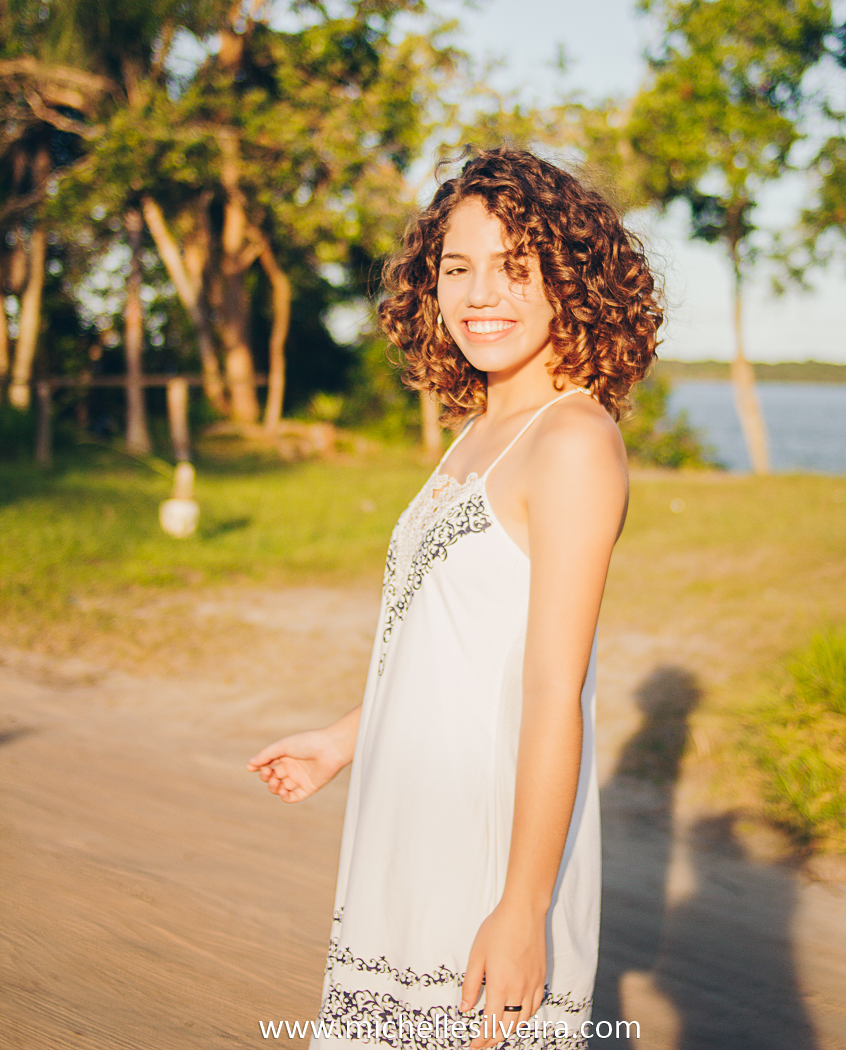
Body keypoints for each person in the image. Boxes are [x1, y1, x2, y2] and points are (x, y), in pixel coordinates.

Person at [248, 147, 662, 1049]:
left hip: (487, 846)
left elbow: (555, 690)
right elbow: (450, 645)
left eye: (517, 267)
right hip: (406, 827)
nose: (483, 293)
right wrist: (342, 740)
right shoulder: (481, 430)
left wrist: (521, 906)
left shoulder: (573, 441)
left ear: (572, 279)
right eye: (457, 267)